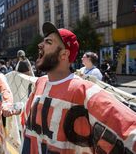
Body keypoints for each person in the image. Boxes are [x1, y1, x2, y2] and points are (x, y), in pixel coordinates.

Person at [19, 22, 136, 153]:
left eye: (48, 42)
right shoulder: (39, 83)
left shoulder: (86, 91)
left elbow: (130, 131)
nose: (40, 45)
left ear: (64, 54)